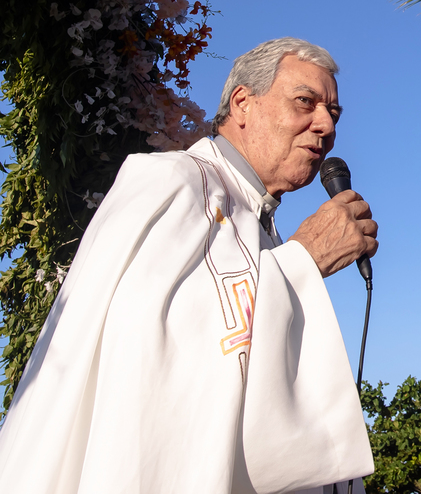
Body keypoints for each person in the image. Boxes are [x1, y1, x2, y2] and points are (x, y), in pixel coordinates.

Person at [0, 38, 379, 493]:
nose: (325, 125)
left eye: (333, 114)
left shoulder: (266, 227)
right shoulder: (173, 180)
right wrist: (302, 261)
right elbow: (147, 350)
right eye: (306, 102)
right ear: (243, 103)